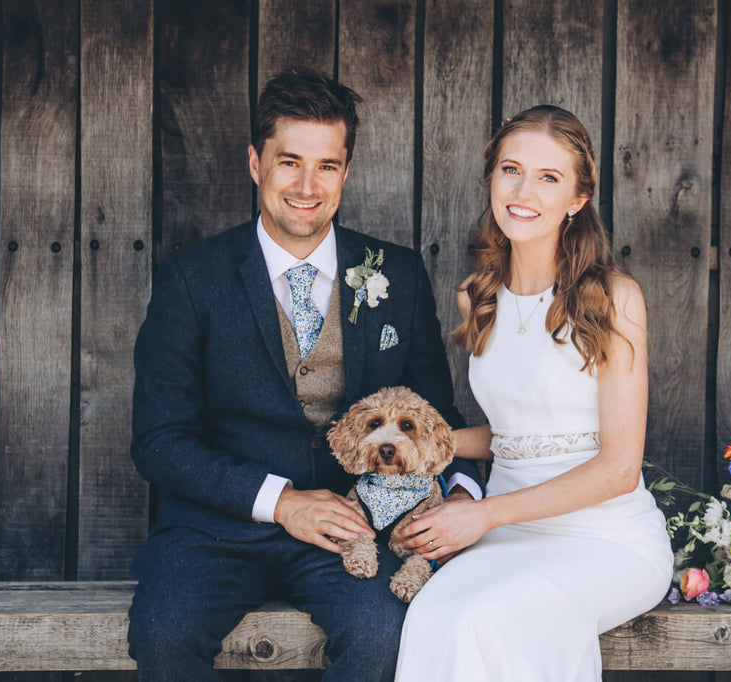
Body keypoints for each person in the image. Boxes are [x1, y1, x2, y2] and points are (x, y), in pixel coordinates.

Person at [126, 67, 482, 682]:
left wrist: (460, 495)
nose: (307, 186)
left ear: (345, 171)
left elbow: (438, 418)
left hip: (362, 528)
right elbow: (160, 443)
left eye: (327, 165)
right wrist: (281, 502)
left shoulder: (395, 274)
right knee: (162, 634)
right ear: (255, 163)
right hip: (217, 528)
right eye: (289, 161)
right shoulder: (193, 279)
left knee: (385, 636)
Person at [393, 105, 673, 681]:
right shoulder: (477, 296)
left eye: (549, 178)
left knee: (495, 616)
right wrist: (422, 445)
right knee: (433, 615)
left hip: (606, 539)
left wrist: (483, 516)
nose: (523, 191)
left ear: (577, 199)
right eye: (510, 169)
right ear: (491, 177)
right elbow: (518, 433)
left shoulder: (613, 299)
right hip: (508, 535)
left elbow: (619, 468)